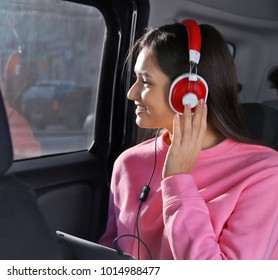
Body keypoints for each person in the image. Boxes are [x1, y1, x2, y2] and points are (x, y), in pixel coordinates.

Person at [99, 19, 278, 260]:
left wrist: (178, 179)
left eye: (145, 81)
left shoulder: (265, 174)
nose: (131, 93)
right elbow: (109, 251)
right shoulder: (128, 163)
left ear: (188, 92)